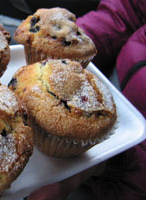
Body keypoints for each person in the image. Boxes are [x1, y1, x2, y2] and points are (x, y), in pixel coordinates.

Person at [27, 0, 146, 199]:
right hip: (100, 77)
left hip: (123, 175)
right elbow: (124, 14)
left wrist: (113, 164)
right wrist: (68, 42)